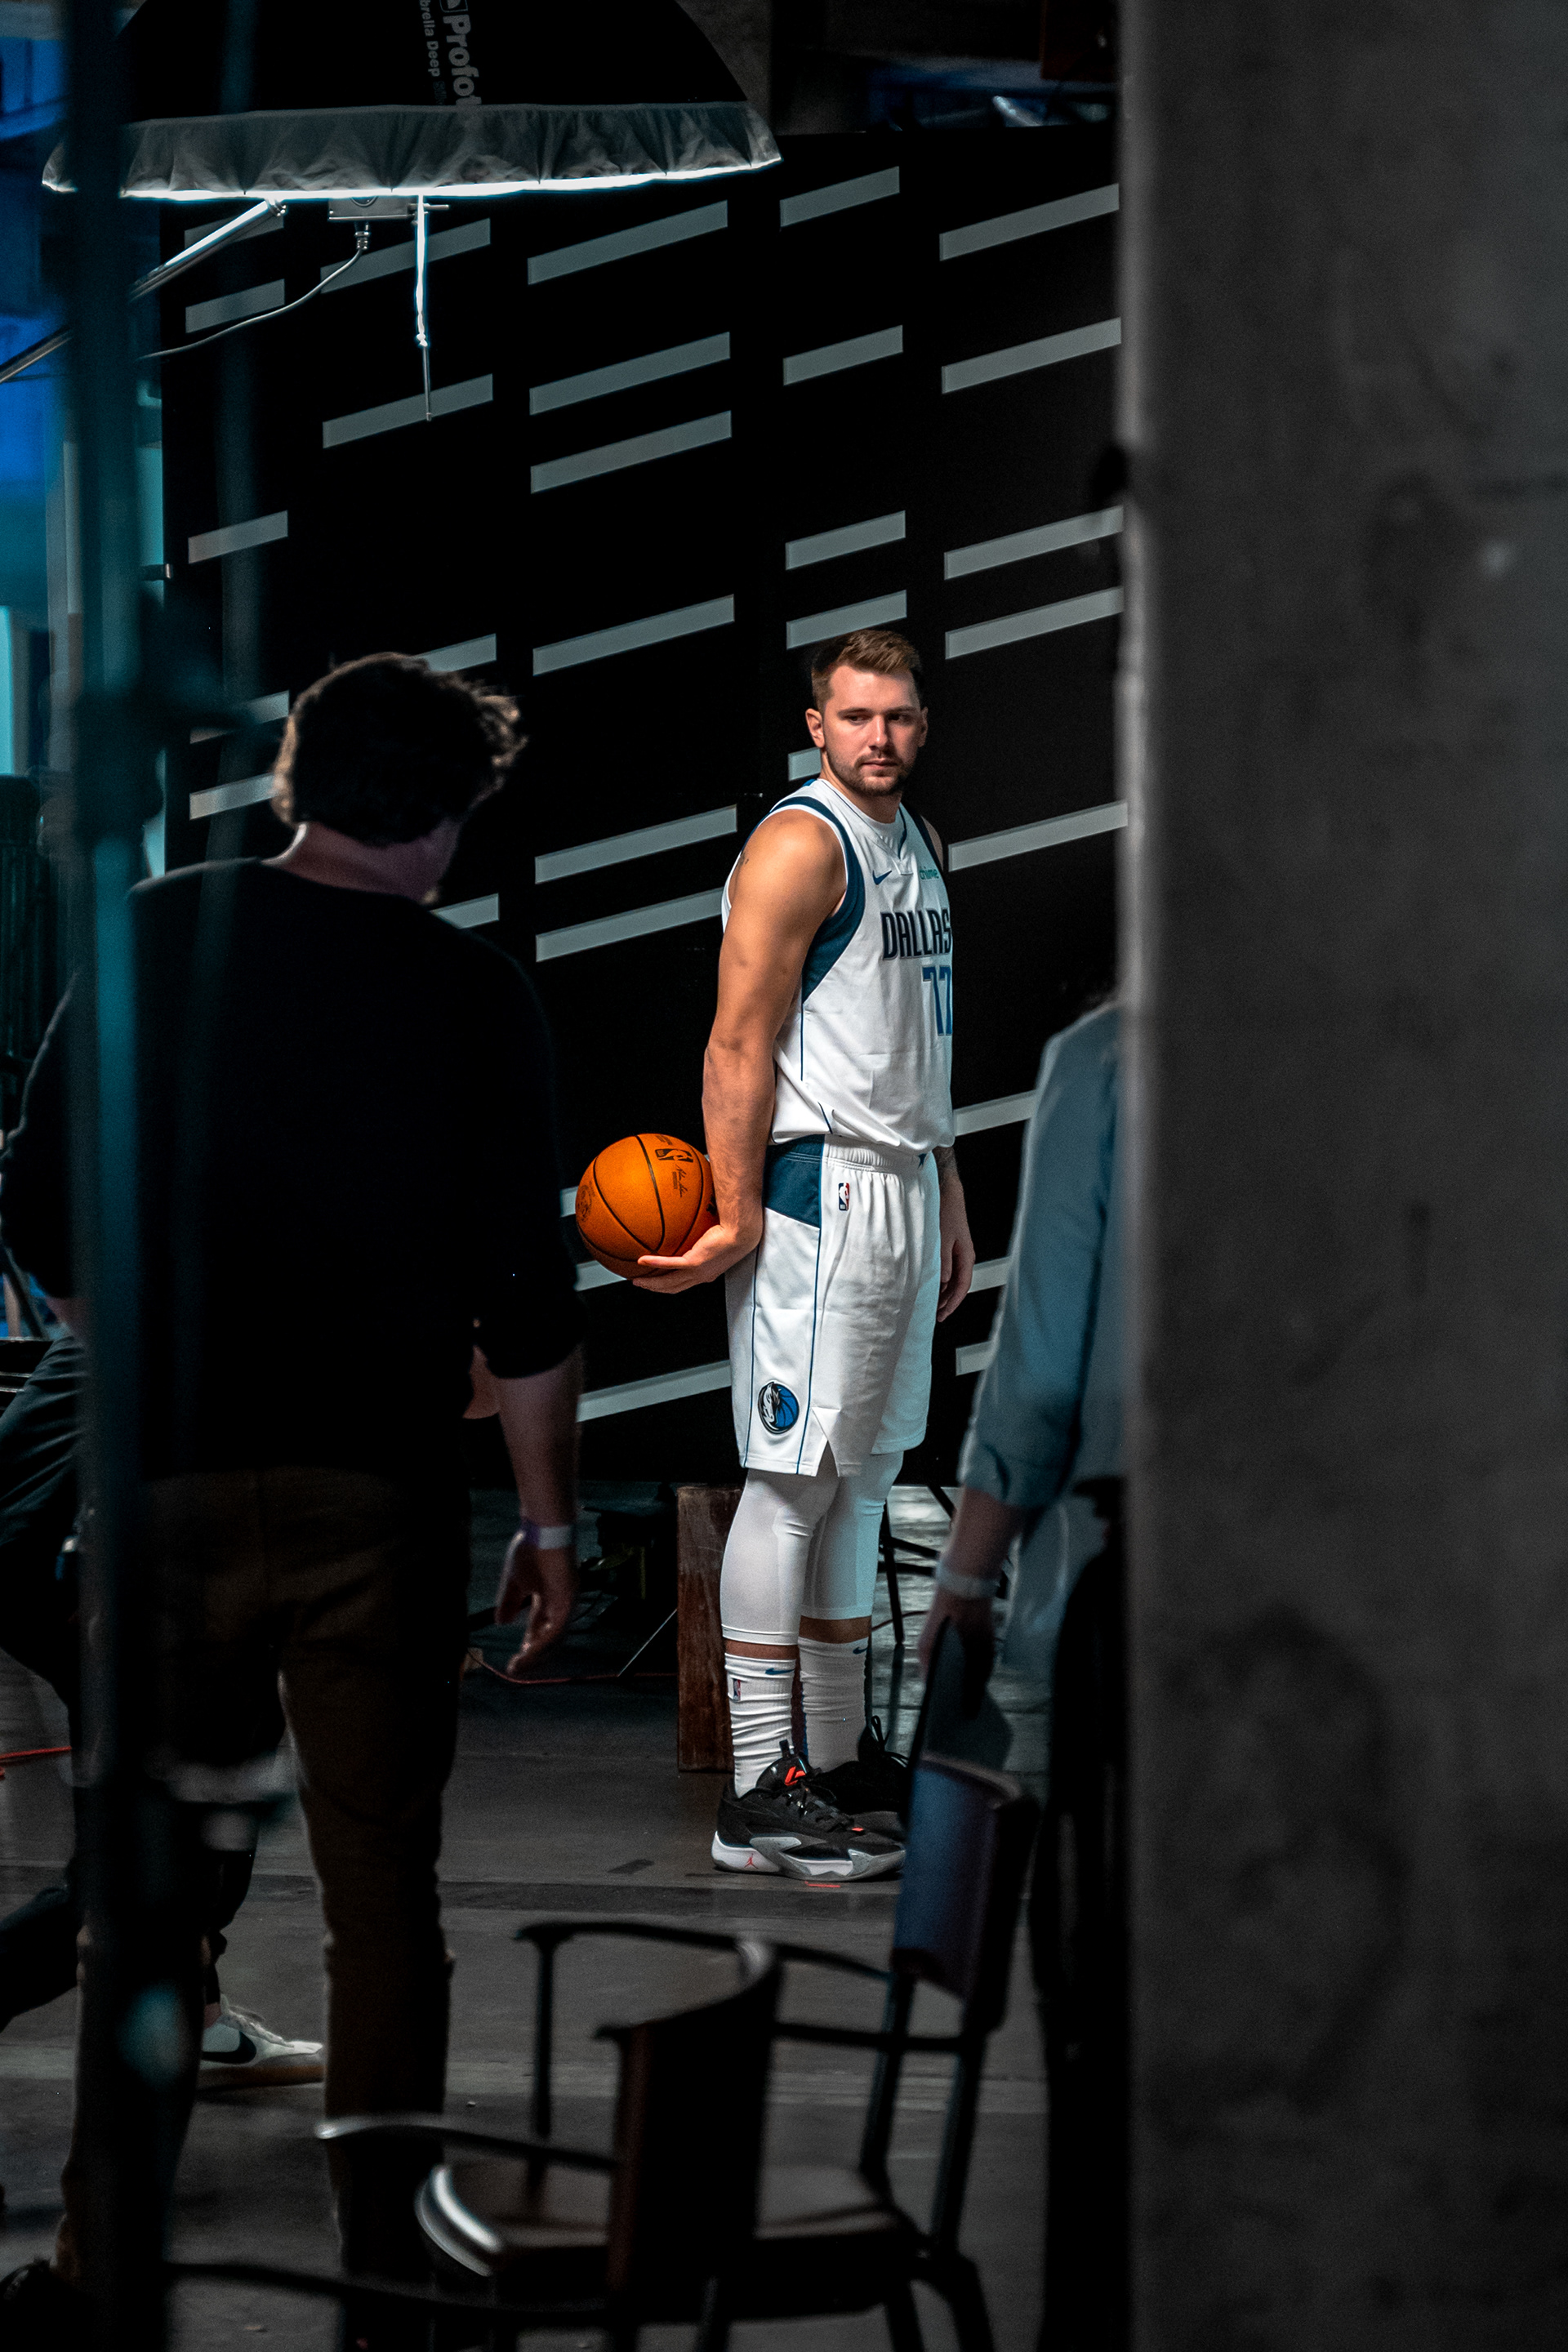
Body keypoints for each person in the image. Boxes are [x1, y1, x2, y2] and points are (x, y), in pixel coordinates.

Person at [0, 653, 584, 2345]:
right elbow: (530, 1305)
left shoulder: (156, 935)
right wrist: (546, 1531)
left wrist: (141, 1348)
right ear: (456, 816)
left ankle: (101, 2279)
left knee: (148, 1911)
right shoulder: (480, 999)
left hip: (163, 1494)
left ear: (295, 785)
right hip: (378, 1502)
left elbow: (35, 1211)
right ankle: (392, 2273)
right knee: (382, 1906)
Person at [637, 626, 974, 1880]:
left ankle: (833, 1760)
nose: (878, 735)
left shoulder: (921, 846)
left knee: (861, 1480)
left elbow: (916, 1039)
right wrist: (732, 1214)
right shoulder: (800, 844)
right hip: (813, 1192)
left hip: (898, 1179)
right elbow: (736, 1046)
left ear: (920, 726)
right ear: (817, 729)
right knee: (787, 1482)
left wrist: (947, 1183)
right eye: (856, 716)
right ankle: (756, 1788)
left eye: (898, 715)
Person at [917, 999, 1124, 2352]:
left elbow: (1040, 1379)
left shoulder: (1108, 1059)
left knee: (1104, 2034)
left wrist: (969, 1579)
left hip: (1124, 1589)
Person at [0, 1328, 323, 2087]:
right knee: (170, 1855)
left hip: (31, 1537)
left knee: (172, 1830)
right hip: (88, 1560)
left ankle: (200, 2029)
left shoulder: (174, 1242)